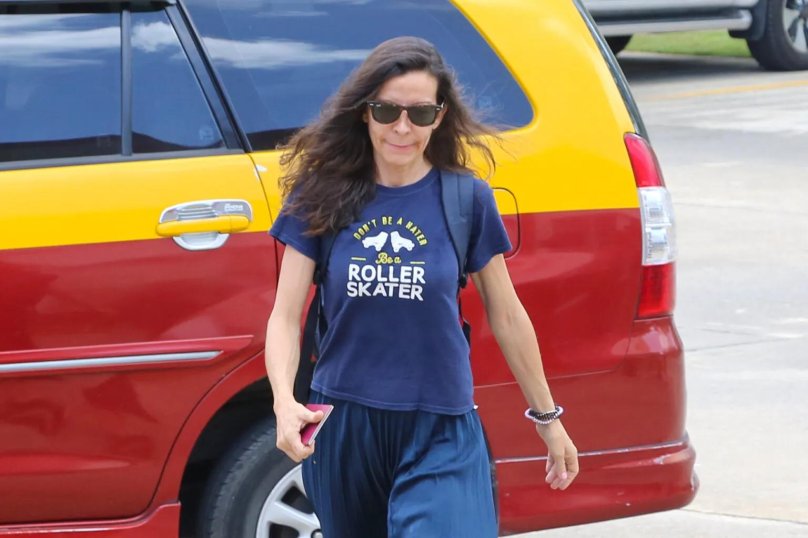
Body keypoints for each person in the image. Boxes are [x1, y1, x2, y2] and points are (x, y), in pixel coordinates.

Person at [265, 36, 578, 538]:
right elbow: (284, 317)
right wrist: (284, 402)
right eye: (387, 110)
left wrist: (547, 417)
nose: (402, 127)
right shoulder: (321, 195)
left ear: (439, 117)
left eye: (420, 113)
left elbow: (507, 314)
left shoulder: (466, 198)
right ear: (365, 112)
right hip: (345, 423)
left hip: (441, 425)